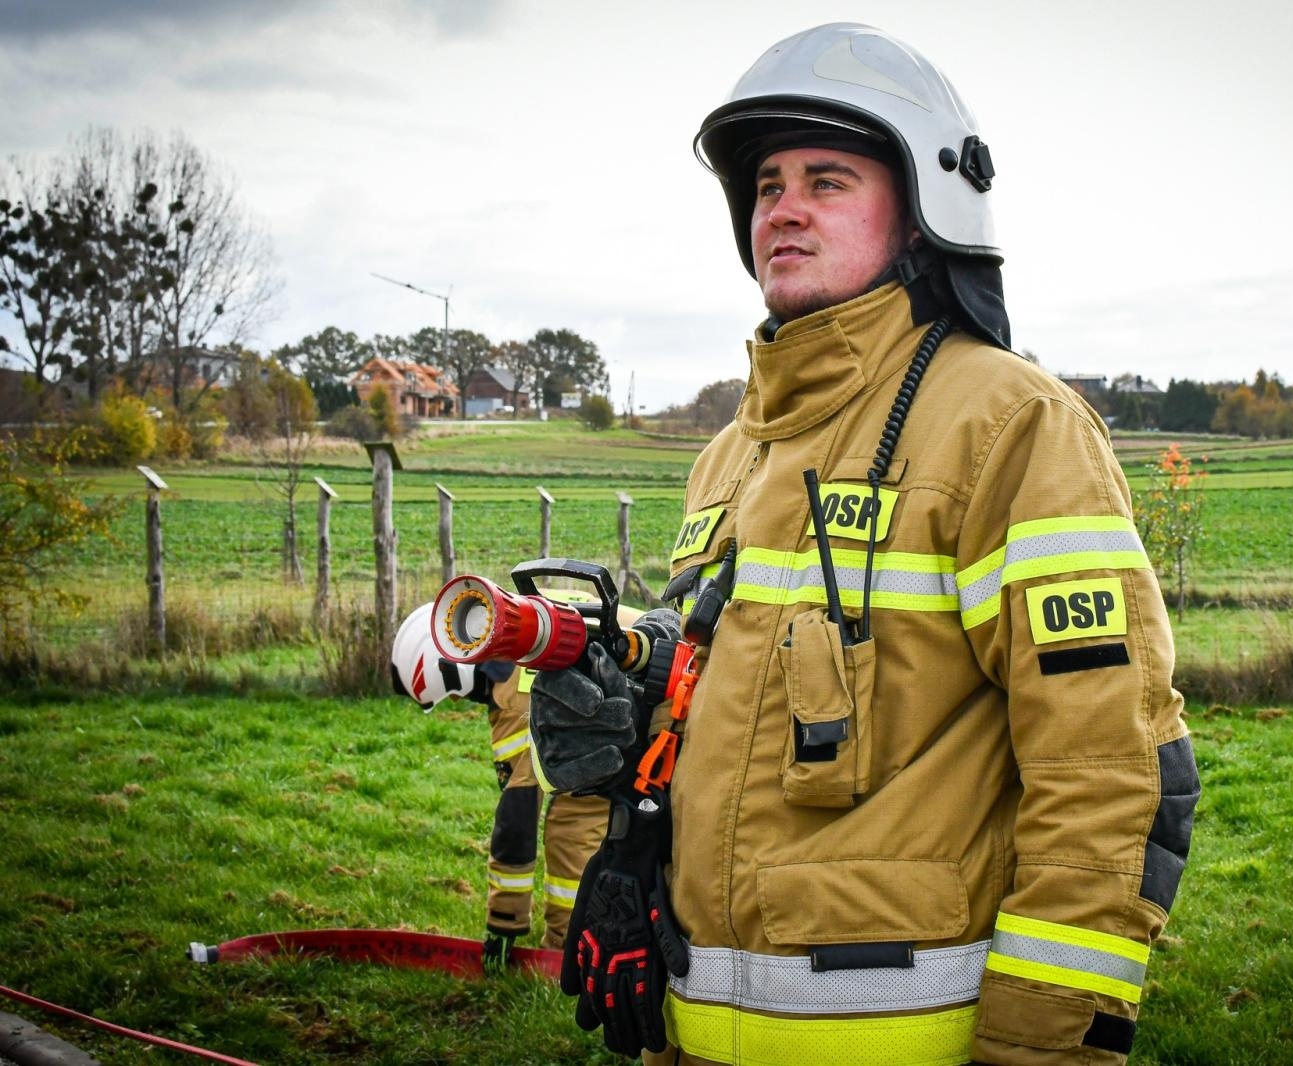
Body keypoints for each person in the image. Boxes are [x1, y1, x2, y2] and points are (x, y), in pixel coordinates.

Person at [534, 22, 1199, 1064]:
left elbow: (1108, 771)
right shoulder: (728, 455)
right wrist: (625, 760)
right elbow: (716, 708)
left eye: (827, 179)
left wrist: (1036, 1050)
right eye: (765, 184)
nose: (783, 206)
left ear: (926, 211)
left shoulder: (1009, 425)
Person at [389, 603, 610, 968]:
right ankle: (575, 947)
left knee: (572, 826)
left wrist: (503, 924)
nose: (463, 702)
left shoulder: (514, 696)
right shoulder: (512, 627)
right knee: (579, 807)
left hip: (651, 705)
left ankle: (566, 956)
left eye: (454, 695)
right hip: (650, 689)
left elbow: (517, 818)